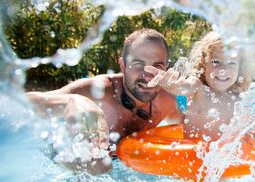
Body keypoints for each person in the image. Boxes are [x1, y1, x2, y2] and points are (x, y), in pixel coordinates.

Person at [26, 28, 184, 175]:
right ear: (123, 65)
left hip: (122, 167)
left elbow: (190, 129)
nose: (149, 76)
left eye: (157, 66)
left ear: (166, 68)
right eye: (138, 64)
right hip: (59, 167)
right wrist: (71, 101)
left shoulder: (167, 100)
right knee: (99, 165)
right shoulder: (98, 91)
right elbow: (26, 102)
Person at [145, 31, 255, 141]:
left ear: (240, 67)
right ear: (203, 63)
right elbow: (186, 87)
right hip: (193, 156)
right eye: (216, 62)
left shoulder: (240, 100)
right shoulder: (199, 90)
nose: (223, 69)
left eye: (232, 63)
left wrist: (254, 130)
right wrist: (173, 85)